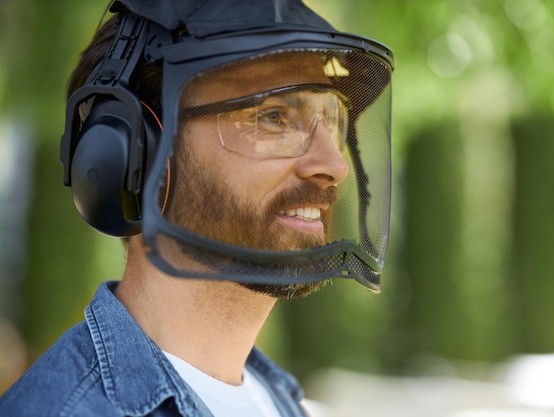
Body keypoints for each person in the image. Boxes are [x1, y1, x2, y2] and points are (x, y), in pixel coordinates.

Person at [0, 0, 394, 415]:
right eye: (274, 116)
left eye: (333, 120)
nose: (333, 165)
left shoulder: (281, 400)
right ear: (137, 156)